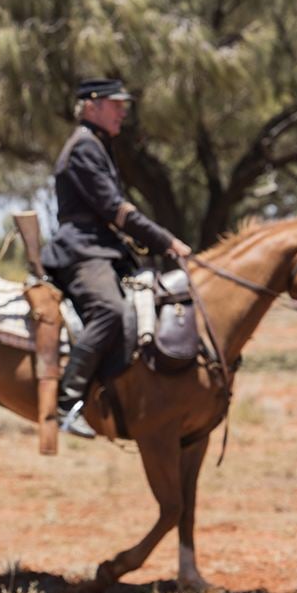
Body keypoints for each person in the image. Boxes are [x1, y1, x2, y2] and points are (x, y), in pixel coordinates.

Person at [41, 79, 192, 438]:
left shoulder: (98, 145)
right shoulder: (84, 147)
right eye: (115, 104)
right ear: (91, 106)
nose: (123, 111)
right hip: (82, 250)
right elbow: (113, 208)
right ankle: (67, 401)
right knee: (109, 310)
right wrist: (166, 241)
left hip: (102, 247)